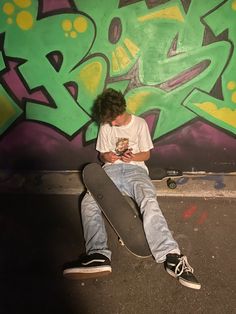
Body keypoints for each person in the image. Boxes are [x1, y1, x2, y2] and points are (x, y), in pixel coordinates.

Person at [63, 88, 201, 290]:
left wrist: (132, 157)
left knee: (148, 200)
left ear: (121, 112)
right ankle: (98, 255)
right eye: (108, 121)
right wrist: (106, 158)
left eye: (114, 120)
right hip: (110, 170)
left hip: (135, 171)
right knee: (88, 201)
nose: (111, 124)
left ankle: (171, 256)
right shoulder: (106, 124)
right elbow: (102, 155)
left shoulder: (140, 124)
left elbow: (145, 154)